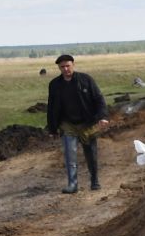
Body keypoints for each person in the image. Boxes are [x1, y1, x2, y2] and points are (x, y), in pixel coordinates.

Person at [45, 54, 109, 193]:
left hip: (87, 123)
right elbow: (51, 107)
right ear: (59, 68)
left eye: (68, 66)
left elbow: (99, 99)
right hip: (68, 124)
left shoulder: (86, 80)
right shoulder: (55, 85)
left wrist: (102, 117)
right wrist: (52, 129)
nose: (66, 69)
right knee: (70, 155)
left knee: (91, 154)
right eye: (62, 67)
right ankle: (72, 185)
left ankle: (94, 181)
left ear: (73, 64)